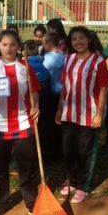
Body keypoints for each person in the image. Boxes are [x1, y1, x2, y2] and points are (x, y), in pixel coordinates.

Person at [0, 29, 41, 215]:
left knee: (27, 167)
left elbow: (35, 91)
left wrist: (36, 106)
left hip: (23, 123)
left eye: (13, 44)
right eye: (5, 44)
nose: (9, 48)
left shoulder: (25, 67)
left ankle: (32, 202)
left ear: (18, 47)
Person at [55, 26, 108, 204]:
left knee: (85, 151)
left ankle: (83, 186)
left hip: (89, 114)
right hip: (69, 113)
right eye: (74, 39)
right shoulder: (68, 59)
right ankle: (72, 180)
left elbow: (103, 88)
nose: (78, 42)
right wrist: (59, 109)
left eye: (82, 38)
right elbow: (64, 87)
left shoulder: (98, 61)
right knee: (68, 149)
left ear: (89, 40)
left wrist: (99, 113)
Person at [23, 40, 51, 157]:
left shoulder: (26, 66)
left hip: (32, 97)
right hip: (44, 96)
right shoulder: (43, 63)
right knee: (43, 124)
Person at [42, 32, 65, 161]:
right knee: (60, 124)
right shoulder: (64, 56)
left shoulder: (47, 58)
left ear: (50, 44)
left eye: (44, 43)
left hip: (51, 94)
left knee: (50, 125)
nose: (43, 46)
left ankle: (51, 152)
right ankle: (60, 150)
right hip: (62, 95)